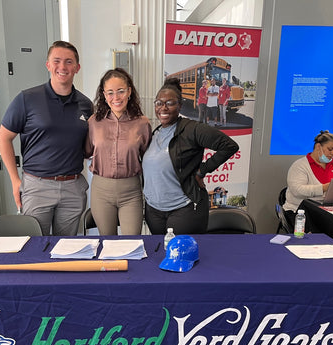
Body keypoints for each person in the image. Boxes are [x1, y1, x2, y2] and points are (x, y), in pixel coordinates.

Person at [0, 40, 93, 236]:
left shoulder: (86, 104)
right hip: (37, 186)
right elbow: (3, 138)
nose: (62, 67)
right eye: (56, 61)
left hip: (73, 187)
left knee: (66, 248)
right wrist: (15, 180)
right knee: (34, 245)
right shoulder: (27, 99)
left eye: (69, 62)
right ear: (48, 65)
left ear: (77, 67)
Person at [142, 78, 239, 235]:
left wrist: (202, 170)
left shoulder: (192, 129)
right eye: (159, 103)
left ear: (180, 105)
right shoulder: (155, 133)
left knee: (182, 256)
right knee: (160, 256)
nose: (163, 108)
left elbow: (229, 146)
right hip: (154, 212)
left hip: (184, 209)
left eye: (170, 103)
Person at [84, 68, 152, 235]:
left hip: (131, 191)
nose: (116, 98)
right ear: (104, 95)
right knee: (107, 243)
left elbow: (149, 159)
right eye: (110, 93)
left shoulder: (142, 123)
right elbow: (86, 152)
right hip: (101, 191)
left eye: (121, 91)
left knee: (132, 244)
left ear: (129, 91)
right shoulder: (94, 122)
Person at [283, 130, 333, 224]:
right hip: (301, 213)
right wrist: (324, 188)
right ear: (318, 147)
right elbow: (297, 190)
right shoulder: (300, 166)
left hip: (328, 213)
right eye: (330, 149)